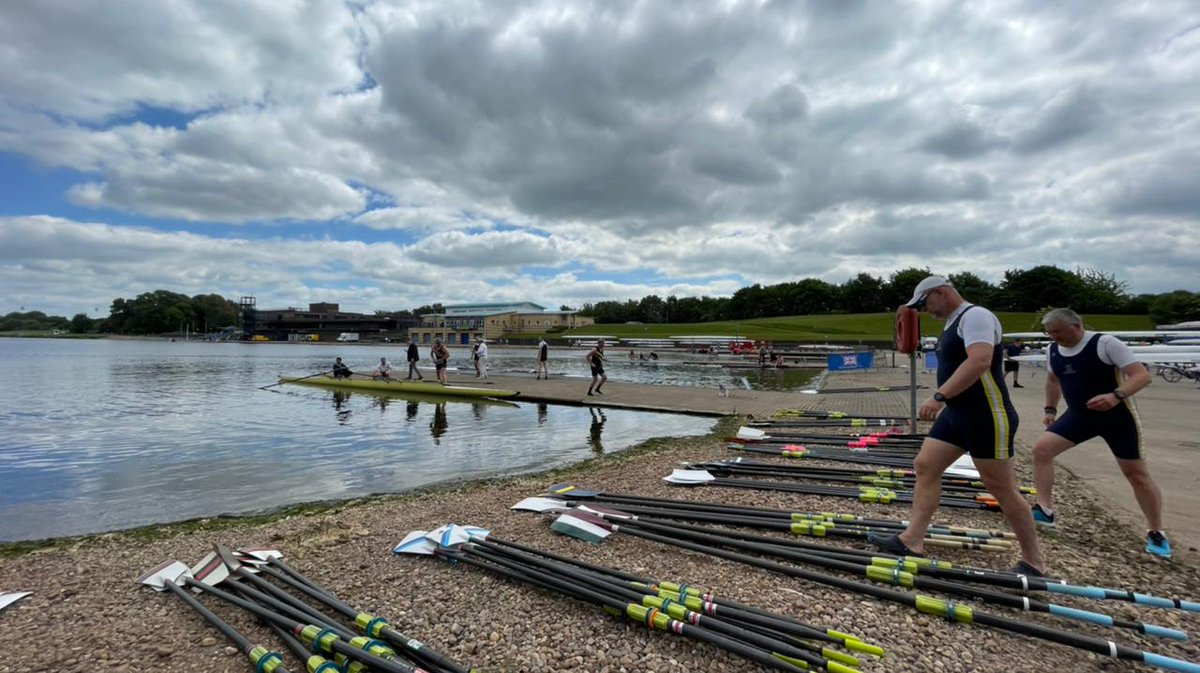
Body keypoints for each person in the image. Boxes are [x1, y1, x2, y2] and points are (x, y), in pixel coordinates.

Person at [867, 276, 1048, 576]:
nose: (924, 310)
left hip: (988, 414)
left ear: (940, 292)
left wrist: (939, 396)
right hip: (957, 413)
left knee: (1000, 487)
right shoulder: (952, 323)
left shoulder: (975, 316)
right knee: (925, 465)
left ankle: (1034, 561)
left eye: (924, 303)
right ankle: (912, 540)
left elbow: (980, 361)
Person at [1031, 308, 1170, 558]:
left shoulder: (1105, 343)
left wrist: (1115, 396)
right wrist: (1050, 409)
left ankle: (1156, 531)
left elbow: (1141, 376)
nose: (1054, 338)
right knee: (1042, 450)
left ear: (1076, 326)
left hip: (1117, 418)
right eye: (1050, 333)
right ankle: (1044, 508)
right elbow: (1053, 381)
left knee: (1136, 474)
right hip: (1079, 416)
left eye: (1058, 333)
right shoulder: (1053, 350)